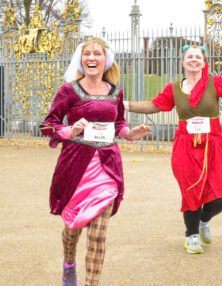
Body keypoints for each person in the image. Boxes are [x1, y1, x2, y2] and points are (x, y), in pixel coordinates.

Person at [125, 45, 222, 254]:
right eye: (190, 56)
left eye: (198, 57)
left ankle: (204, 220)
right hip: (185, 146)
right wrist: (125, 105)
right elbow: (154, 105)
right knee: (191, 192)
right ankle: (192, 235)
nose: (194, 59)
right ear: (183, 62)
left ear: (204, 63)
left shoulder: (214, 84)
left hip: (212, 144)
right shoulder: (175, 89)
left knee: (221, 195)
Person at [39, 37, 151, 286]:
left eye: (97, 54)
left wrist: (130, 134)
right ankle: (69, 264)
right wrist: (70, 131)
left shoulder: (115, 92)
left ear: (106, 60)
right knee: (72, 230)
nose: (91, 58)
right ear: (81, 60)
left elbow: (119, 124)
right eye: (87, 54)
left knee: (98, 234)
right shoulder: (68, 91)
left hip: (107, 168)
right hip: (75, 169)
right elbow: (48, 125)